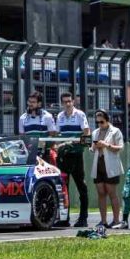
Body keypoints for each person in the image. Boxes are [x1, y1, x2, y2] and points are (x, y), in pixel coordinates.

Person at [55, 92, 91, 228]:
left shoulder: (80, 115)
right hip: (64, 156)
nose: (68, 104)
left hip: (76, 155)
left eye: (69, 101)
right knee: (63, 188)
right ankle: (64, 218)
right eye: (65, 102)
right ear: (62, 103)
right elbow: (57, 135)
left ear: (73, 101)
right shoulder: (60, 116)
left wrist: (74, 143)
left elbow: (86, 133)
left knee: (81, 186)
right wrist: (59, 146)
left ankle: (83, 218)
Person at [90, 110, 124, 229]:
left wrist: (106, 145)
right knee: (101, 193)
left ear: (107, 120)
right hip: (98, 164)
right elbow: (92, 148)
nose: (99, 124)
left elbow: (120, 147)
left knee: (112, 193)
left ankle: (116, 220)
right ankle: (103, 221)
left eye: (102, 122)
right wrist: (93, 147)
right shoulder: (95, 132)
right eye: (97, 122)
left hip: (111, 165)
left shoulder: (115, 131)